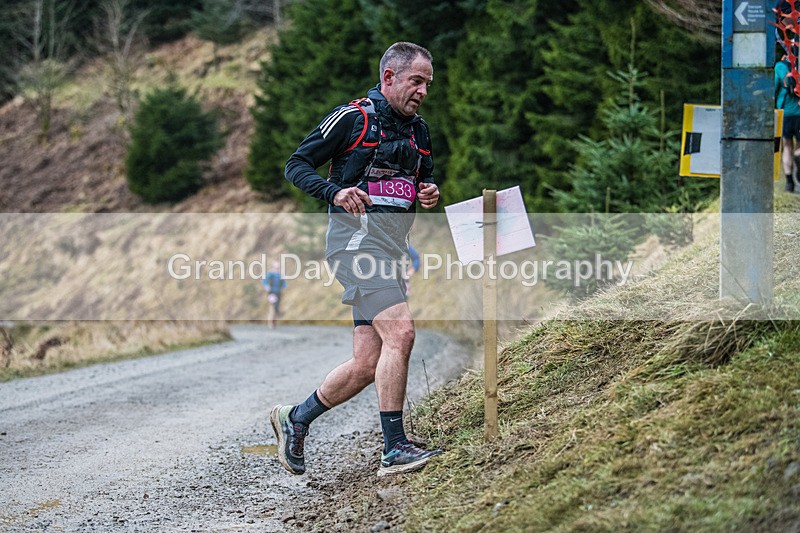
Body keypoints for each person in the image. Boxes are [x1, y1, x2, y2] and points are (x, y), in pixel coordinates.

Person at [270, 42, 442, 477]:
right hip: (354, 247)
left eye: (427, 84)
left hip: (391, 253)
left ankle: (296, 417)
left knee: (367, 364)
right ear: (389, 77)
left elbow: (421, 180)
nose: (422, 91)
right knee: (401, 333)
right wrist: (335, 192)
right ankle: (394, 449)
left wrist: (428, 192)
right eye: (415, 81)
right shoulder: (354, 117)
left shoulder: (419, 131)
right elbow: (296, 164)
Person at [775, 23, 800, 192]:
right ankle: (799, 157)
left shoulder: (779, 67)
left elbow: (775, 88)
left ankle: (789, 182)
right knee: (799, 147)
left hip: (786, 113)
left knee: (787, 146)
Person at [262, 260, 286, 328]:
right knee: (273, 306)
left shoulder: (281, 275)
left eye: (278, 267)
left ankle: (274, 322)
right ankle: (270, 323)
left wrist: (283, 288)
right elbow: (264, 282)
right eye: (276, 267)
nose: (277, 268)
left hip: (278, 292)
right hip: (271, 293)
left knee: (276, 308)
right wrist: (266, 287)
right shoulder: (270, 274)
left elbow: (284, 284)